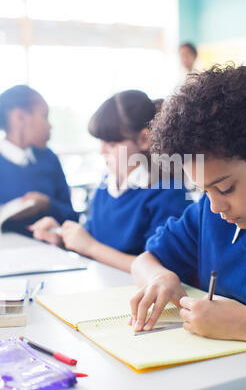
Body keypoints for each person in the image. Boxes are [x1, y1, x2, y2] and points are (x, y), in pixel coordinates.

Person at [129, 64, 246, 352]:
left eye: (224, 188)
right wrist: (160, 277)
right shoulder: (208, 214)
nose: (216, 205)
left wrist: (243, 323)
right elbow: (143, 261)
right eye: (202, 189)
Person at [31, 90, 190, 272]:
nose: (102, 151)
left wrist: (90, 246)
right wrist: (61, 237)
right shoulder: (106, 186)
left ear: (144, 139)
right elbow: (91, 243)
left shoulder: (167, 193)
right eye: (101, 142)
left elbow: (158, 270)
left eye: (112, 144)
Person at [0, 85, 78, 235]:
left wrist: (47, 205)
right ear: (20, 117)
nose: (49, 126)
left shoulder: (49, 159)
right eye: (44, 116)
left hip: (49, 251)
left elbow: (72, 218)